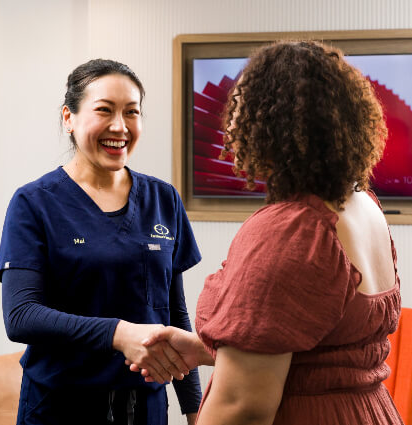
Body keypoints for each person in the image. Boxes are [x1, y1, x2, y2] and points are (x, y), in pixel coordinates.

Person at [131, 41, 404, 424]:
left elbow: (243, 407)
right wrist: (203, 349)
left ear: (267, 128)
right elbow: (321, 351)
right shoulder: (365, 206)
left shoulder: (290, 231)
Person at [0, 59, 202, 425]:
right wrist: (119, 334)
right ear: (69, 118)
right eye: (104, 110)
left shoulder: (163, 199)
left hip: (147, 408)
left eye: (132, 112)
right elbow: (21, 316)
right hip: (61, 407)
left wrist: (193, 408)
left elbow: (174, 312)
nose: (120, 127)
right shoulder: (34, 203)